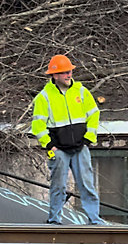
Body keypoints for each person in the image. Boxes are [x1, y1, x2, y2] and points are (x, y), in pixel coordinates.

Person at [30, 54, 104, 225]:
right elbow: (38, 125)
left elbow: (94, 115)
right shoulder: (44, 97)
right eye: (64, 72)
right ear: (54, 75)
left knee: (87, 184)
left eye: (69, 71)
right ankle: (54, 219)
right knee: (58, 186)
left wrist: (88, 139)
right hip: (59, 149)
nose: (69, 75)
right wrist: (49, 145)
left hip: (80, 147)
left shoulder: (82, 92)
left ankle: (94, 219)